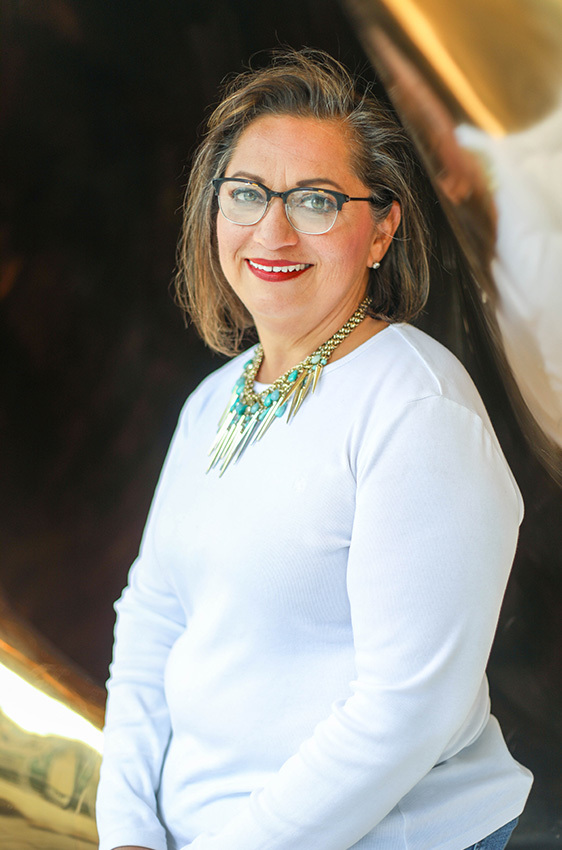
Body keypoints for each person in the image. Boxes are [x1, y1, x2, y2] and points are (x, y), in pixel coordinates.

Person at [95, 49, 533, 850]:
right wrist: (125, 831)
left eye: (318, 200)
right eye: (249, 193)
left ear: (382, 229)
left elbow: (408, 711)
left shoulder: (418, 411)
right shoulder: (214, 401)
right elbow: (153, 619)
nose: (274, 229)